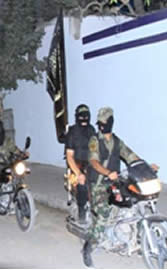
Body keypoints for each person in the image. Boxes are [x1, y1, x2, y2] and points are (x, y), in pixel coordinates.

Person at [82, 107, 159, 267]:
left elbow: (130, 155)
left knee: (136, 201)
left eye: (104, 122)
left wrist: (145, 166)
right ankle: (88, 246)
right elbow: (94, 162)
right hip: (99, 185)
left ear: (110, 122)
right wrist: (108, 172)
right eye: (100, 123)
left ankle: (137, 240)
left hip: (115, 181)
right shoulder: (95, 141)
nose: (101, 126)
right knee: (103, 215)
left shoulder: (117, 141)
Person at [0, 119, 28, 214]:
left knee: (19, 172)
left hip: (8, 163)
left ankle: (23, 198)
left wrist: (22, 153)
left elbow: (14, 149)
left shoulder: (7, 139)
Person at [64, 104, 95, 223]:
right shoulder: (72, 132)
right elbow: (69, 156)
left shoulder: (91, 130)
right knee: (82, 185)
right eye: (81, 117)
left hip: (90, 165)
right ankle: (82, 217)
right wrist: (78, 173)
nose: (84, 120)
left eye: (86, 117)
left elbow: (95, 151)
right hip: (75, 167)